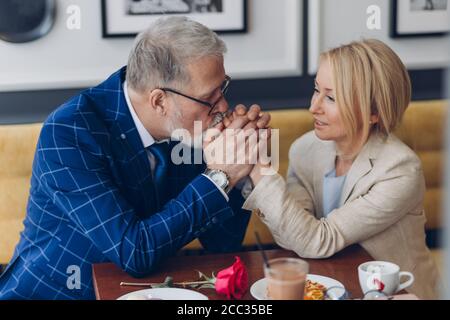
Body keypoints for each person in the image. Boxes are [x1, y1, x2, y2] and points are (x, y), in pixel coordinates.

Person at [0, 16, 269, 300]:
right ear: (159, 101)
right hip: (53, 292)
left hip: (146, 291)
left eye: (222, 88)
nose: (223, 106)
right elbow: (135, 252)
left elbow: (221, 243)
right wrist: (219, 175)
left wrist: (241, 170)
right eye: (209, 97)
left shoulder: (189, 127)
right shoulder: (70, 132)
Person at [244, 39, 440, 299]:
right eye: (316, 90)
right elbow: (293, 233)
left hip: (398, 294)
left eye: (331, 97)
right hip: (334, 286)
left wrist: (260, 170)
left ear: (373, 111)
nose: (313, 107)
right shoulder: (305, 150)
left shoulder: (400, 170)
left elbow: (317, 240)